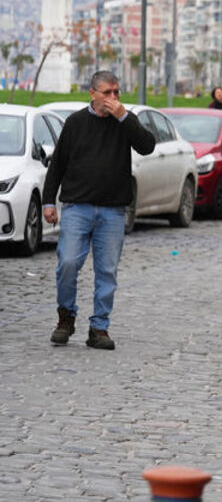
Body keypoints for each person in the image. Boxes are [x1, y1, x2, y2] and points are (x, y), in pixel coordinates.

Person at [42, 71, 157, 350]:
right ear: (93, 94)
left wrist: (124, 117)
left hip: (112, 211)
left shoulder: (125, 122)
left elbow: (147, 146)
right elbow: (58, 164)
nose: (113, 98)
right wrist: (48, 202)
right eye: (107, 93)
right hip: (77, 207)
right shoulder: (76, 122)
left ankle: (99, 327)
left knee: (106, 271)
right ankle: (66, 316)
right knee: (67, 263)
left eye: (117, 92)